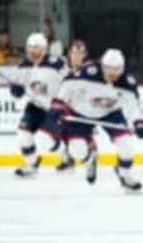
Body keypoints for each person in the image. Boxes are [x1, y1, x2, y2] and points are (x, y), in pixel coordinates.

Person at [50, 49, 143, 189]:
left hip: (110, 113)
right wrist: (58, 104)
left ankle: (124, 174)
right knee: (77, 152)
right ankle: (91, 155)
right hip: (80, 112)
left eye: (117, 70)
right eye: (109, 69)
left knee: (126, 146)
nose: (112, 74)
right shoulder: (87, 73)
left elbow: (133, 107)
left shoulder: (127, 83)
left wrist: (139, 123)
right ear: (102, 66)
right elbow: (67, 85)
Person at [10, 33, 67, 177]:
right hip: (35, 106)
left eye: (36, 48)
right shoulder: (23, 66)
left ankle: (63, 151)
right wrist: (17, 89)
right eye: (30, 48)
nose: (33, 51)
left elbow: (71, 84)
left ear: (44, 49)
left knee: (45, 140)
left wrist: (62, 102)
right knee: (23, 134)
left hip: (55, 108)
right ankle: (31, 164)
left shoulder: (57, 64)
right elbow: (16, 92)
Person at [55, 39, 90, 172]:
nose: (77, 56)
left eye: (80, 53)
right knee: (61, 130)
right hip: (65, 106)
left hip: (83, 108)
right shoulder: (61, 68)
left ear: (85, 54)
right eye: (74, 52)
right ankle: (68, 156)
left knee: (79, 134)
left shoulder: (89, 70)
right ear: (69, 53)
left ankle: (88, 152)